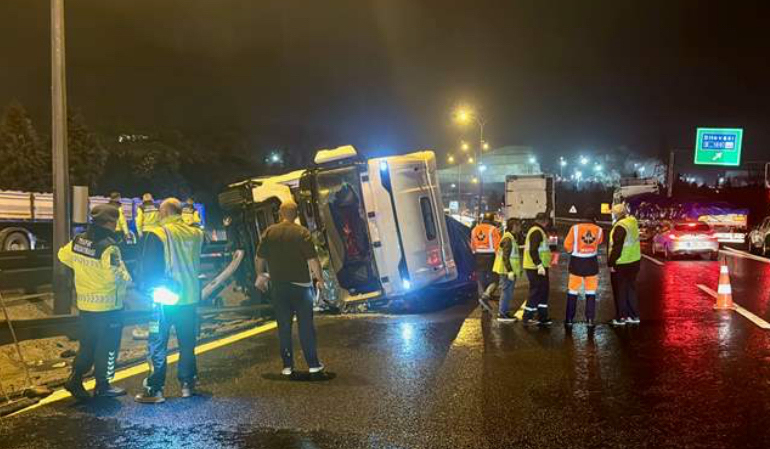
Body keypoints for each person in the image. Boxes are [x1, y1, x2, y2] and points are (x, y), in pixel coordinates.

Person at [58, 204, 132, 400]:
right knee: (107, 347)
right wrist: (127, 279)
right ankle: (103, 385)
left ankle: (75, 379)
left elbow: (62, 255)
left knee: (88, 345)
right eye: (115, 222)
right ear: (109, 222)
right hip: (108, 307)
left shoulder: (78, 240)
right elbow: (114, 277)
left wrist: (85, 273)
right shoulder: (109, 246)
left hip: (86, 305)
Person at [135, 198, 204, 403]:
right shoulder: (196, 234)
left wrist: (143, 288)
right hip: (190, 298)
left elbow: (147, 270)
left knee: (157, 344)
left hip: (164, 300)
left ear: (163, 213)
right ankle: (187, 385)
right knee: (187, 343)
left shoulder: (158, 234)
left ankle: (155, 389)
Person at [255, 201, 325, 377]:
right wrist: (319, 279)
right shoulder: (302, 233)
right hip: (301, 288)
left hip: (279, 287)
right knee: (306, 326)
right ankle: (313, 365)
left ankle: (287, 366)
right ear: (296, 214)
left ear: (280, 213)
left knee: (284, 327)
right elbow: (312, 260)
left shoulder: (269, 232)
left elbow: (259, 258)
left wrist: (260, 275)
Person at [563, 209, 604, 327]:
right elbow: (599, 242)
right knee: (591, 293)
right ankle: (590, 319)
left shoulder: (575, 228)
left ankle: (569, 319)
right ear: (594, 219)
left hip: (576, 264)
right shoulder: (599, 230)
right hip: (591, 264)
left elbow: (567, 245)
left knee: (573, 292)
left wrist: (572, 250)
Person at [607, 203, 642, 326]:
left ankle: (621, 317)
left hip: (622, 263)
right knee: (630, 288)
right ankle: (634, 315)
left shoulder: (620, 226)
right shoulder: (632, 222)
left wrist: (611, 263)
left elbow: (617, 247)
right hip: (635, 261)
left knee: (620, 290)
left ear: (616, 214)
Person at [522, 213, 553, 326]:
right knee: (536, 291)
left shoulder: (538, 231)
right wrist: (539, 264)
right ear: (544, 221)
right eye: (547, 222)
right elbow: (533, 250)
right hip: (535, 267)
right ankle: (527, 317)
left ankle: (542, 316)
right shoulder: (536, 231)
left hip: (540, 267)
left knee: (543, 291)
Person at [492, 218, 523, 322]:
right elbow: (506, 256)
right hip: (506, 271)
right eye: (518, 225)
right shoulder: (508, 238)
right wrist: (509, 270)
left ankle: (504, 312)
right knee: (506, 292)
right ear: (514, 226)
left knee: (508, 292)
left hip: (507, 270)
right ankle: (502, 314)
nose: (520, 228)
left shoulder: (510, 237)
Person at [470, 212, 501, 313]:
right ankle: (485, 296)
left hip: (478, 256)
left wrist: (476, 253)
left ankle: (483, 305)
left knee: (481, 279)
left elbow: (473, 246)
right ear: (492, 220)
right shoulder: (493, 229)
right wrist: (499, 258)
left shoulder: (475, 229)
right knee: (495, 279)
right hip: (490, 256)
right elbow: (498, 246)